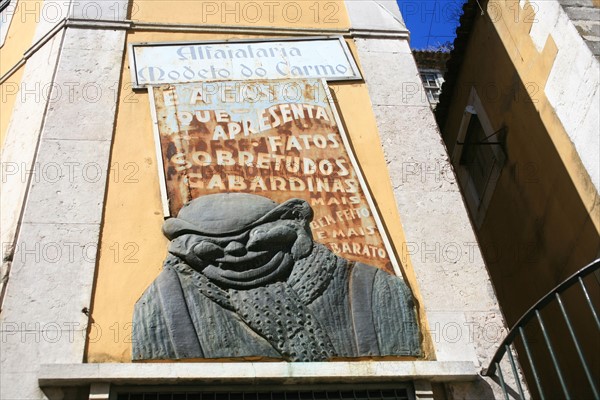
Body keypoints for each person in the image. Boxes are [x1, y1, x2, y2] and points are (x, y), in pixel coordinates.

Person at [132, 193, 420, 361]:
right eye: (211, 246)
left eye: (255, 239)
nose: (234, 250)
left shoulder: (375, 289)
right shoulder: (165, 303)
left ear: (295, 229)